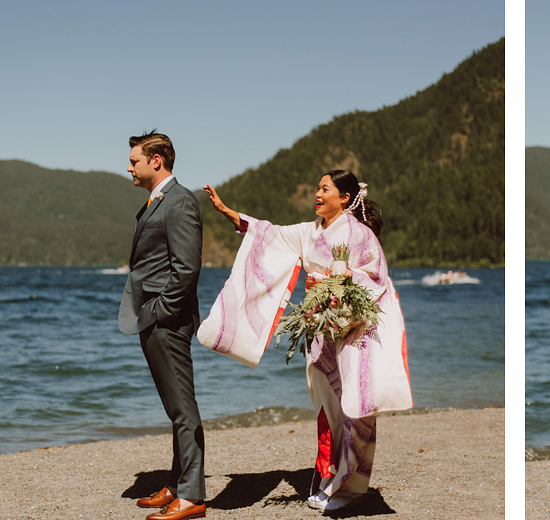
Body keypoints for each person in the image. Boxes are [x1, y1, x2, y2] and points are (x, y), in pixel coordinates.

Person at [199, 170, 413, 512]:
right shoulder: (309, 232)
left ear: (343, 197)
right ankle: (328, 480)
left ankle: (348, 487)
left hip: (352, 332)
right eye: (317, 187)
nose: (317, 193)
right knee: (327, 410)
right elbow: (271, 235)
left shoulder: (360, 236)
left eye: (324, 189)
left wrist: (344, 276)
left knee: (353, 409)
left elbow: (376, 278)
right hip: (320, 330)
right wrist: (231, 214)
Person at [118, 131, 207, 520]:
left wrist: (159, 311)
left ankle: (192, 497)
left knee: (183, 410)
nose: (129, 166)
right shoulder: (157, 200)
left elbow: (187, 268)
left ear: (157, 161)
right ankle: (176, 484)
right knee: (175, 409)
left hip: (166, 321)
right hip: (153, 318)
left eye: (134, 160)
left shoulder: (180, 201)